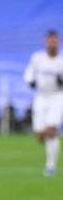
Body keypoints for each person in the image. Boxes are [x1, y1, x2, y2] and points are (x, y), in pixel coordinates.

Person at [24, 30, 63, 176]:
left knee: (52, 131)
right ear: (46, 42)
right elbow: (28, 74)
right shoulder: (37, 58)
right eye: (50, 40)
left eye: (55, 41)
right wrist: (31, 82)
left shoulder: (61, 61)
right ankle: (46, 134)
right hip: (40, 98)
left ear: (58, 42)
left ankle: (50, 166)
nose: (52, 43)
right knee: (41, 135)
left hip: (57, 97)